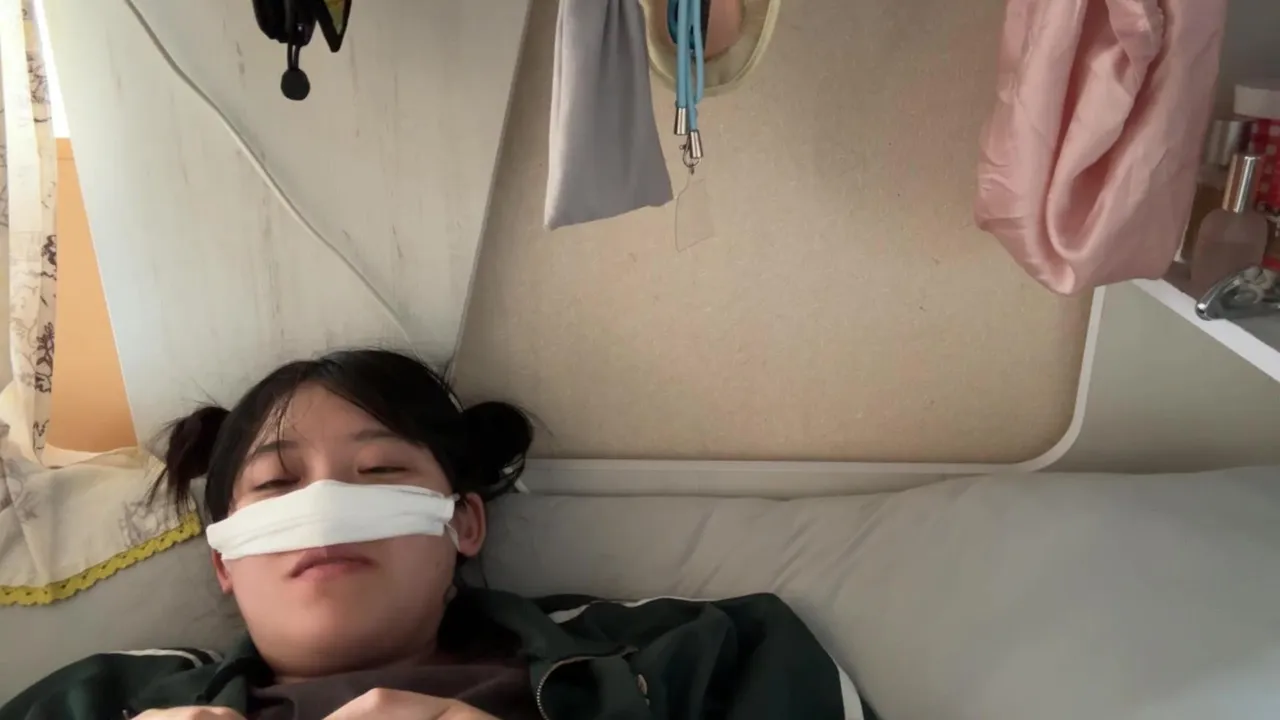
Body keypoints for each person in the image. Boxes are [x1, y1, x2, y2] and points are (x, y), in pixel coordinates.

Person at [0, 350, 856, 720]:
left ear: (464, 522)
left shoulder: (678, 659)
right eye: (277, 485)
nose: (326, 503)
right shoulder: (97, 702)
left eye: (378, 471)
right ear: (224, 557)